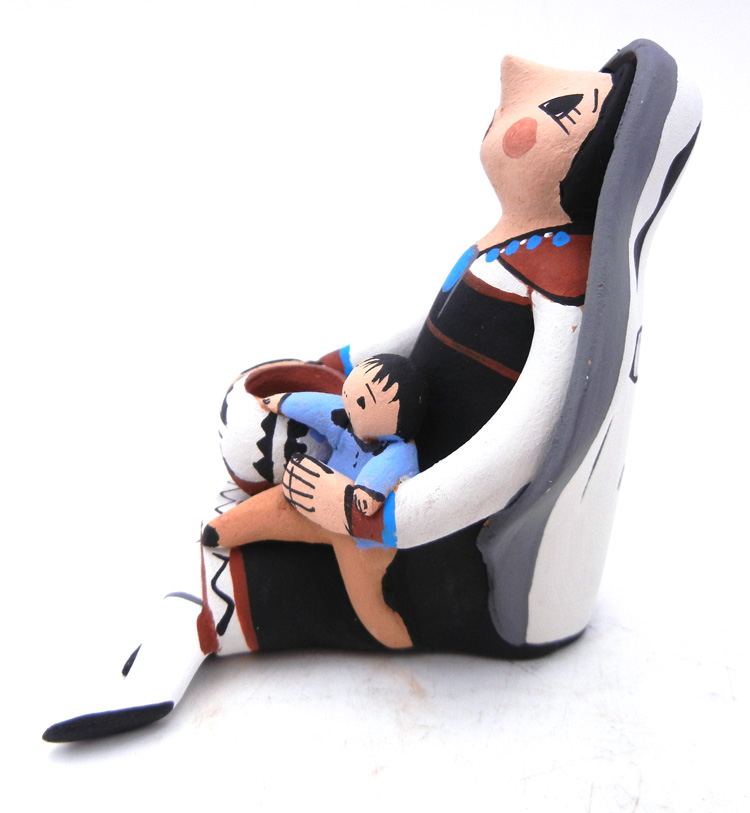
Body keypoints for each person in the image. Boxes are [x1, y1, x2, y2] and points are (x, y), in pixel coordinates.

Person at [43, 40, 701, 742]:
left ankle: (204, 618)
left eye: (561, 112)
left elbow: (517, 450)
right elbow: (421, 329)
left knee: (293, 572)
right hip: (395, 464)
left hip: (445, 543)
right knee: (258, 447)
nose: (512, 94)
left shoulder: (566, 293)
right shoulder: (507, 246)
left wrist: (379, 517)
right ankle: (224, 564)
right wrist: (332, 363)